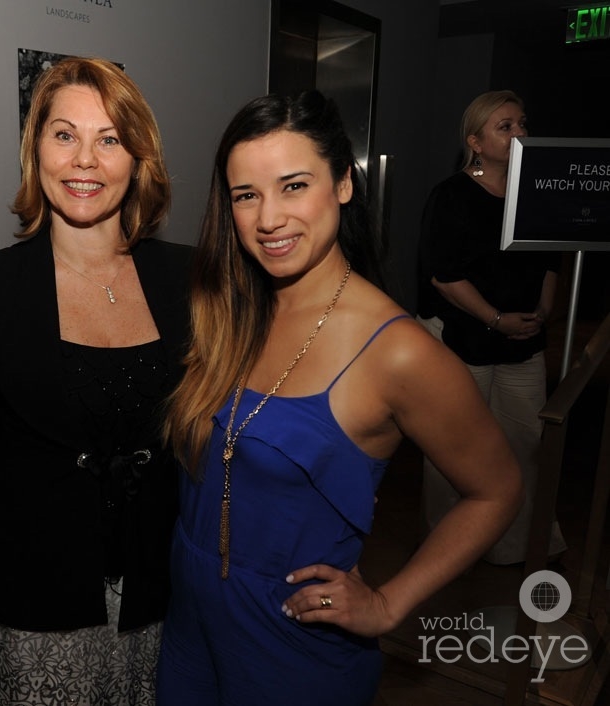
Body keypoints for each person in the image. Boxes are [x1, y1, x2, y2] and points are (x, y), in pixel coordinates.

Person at [155, 89, 523, 705]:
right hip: (189, 624)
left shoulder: (397, 352)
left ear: (344, 185)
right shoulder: (230, 309)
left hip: (290, 645)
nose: (268, 218)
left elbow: (498, 489)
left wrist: (388, 603)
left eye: (294, 185)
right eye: (247, 195)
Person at [0, 56, 193, 705]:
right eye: (64, 134)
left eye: (109, 139)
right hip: (37, 599)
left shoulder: (191, 280)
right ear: (35, 149)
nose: (85, 160)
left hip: (162, 595)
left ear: (139, 158)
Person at [417, 89, 567, 566]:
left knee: (525, 443)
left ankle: (518, 544)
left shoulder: (536, 192)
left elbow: (550, 260)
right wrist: (496, 320)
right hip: (465, 340)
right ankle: (449, 549)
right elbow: (444, 274)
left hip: (524, 342)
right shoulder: (451, 195)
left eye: (523, 123)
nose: (520, 132)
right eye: (506, 126)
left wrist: (541, 312)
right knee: (454, 448)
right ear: (476, 142)